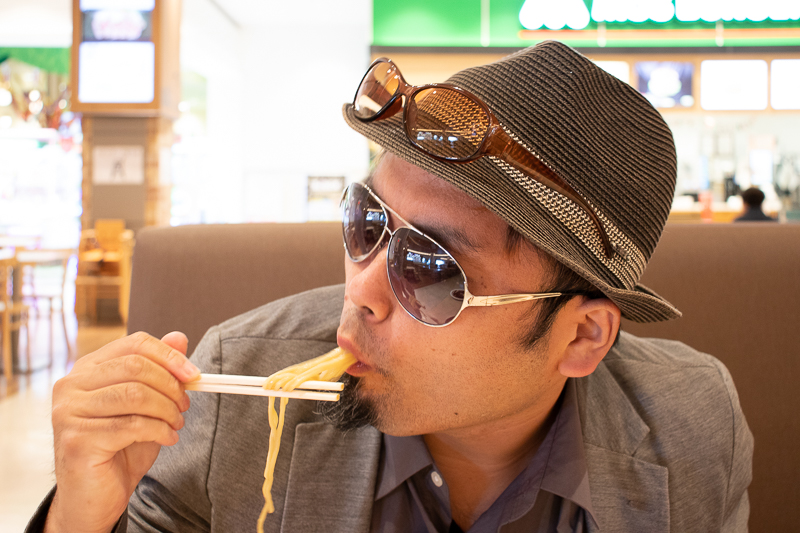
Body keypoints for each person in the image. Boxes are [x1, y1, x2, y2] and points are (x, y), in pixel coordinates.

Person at [28, 41, 752, 533]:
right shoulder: (241, 392)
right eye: (365, 221)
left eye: (430, 268)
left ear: (582, 336)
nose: (362, 292)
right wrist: (79, 518)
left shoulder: (692, 425)